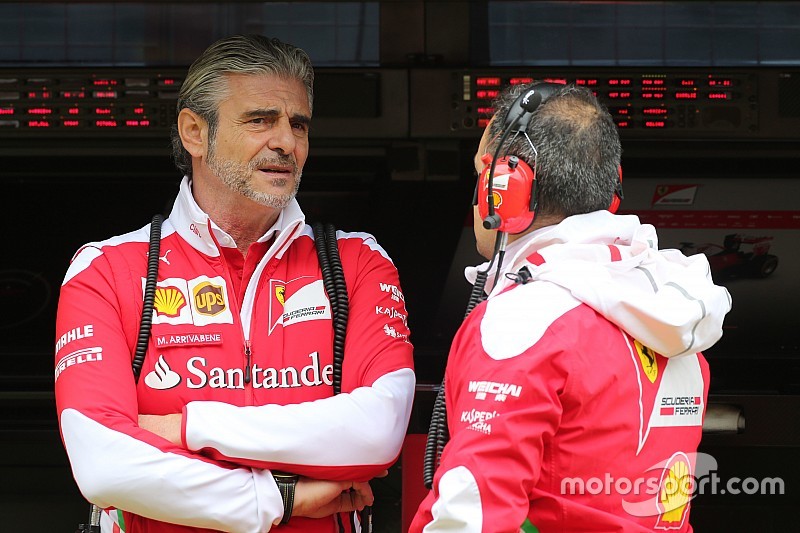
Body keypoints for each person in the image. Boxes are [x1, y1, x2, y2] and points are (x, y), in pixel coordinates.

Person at [54, 34, 415, 532]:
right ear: (195, 133)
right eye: (260, 120)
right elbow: (104, 465)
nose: (286, 142)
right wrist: (280, 498)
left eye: (298, 124)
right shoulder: (106, 269)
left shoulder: (357, 261)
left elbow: (376, 435)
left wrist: (184, 427)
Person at [410, 82, 731, 532]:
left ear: (504, 186)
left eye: (479, 174)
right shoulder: (675, 315)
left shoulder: (525, 320)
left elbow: (473, 514)